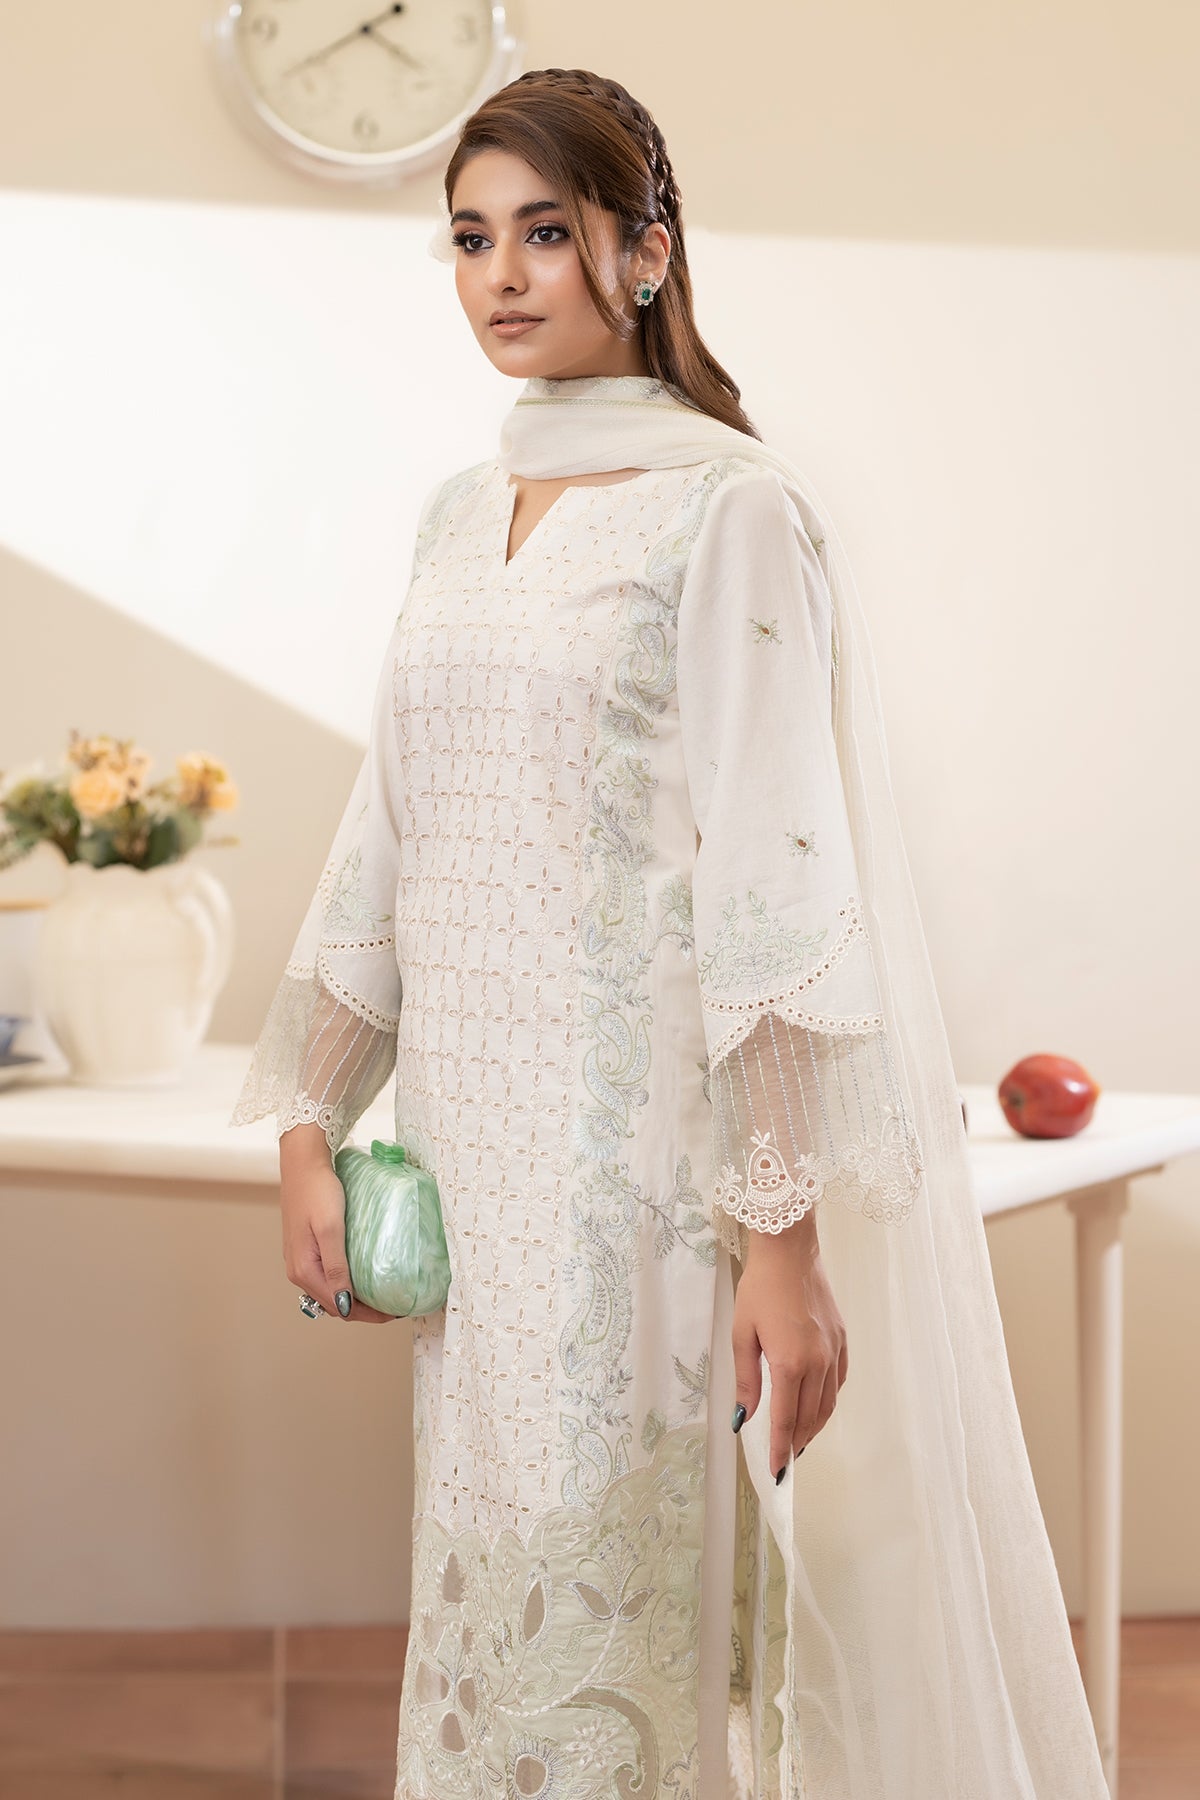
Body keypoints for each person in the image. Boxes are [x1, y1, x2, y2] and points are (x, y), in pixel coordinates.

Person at [231, 66, 1110, 1800]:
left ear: (643, 252)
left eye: (545, 234)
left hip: (636, 1189)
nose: (502, 276)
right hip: (470, 1189)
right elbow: (389, 834)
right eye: (470, 239)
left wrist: (778, 1242)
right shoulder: (457, 516)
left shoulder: (733, 512)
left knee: (620, 1652)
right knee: (487, 1652)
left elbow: (774, 891)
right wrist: (308, 1120)